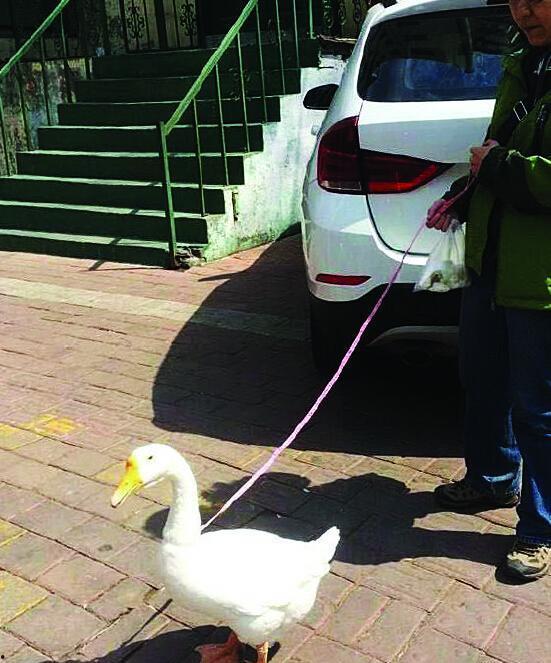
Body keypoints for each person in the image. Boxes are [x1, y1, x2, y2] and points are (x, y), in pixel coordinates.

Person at [426, 0, 551, 581]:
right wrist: (464, 195)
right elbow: (493, 147)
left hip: (539, 277)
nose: (523, 11)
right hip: (490, 261)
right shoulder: (520, 63)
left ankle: (540, 528)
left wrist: (499, 167)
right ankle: (492, 480)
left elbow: (509, 163)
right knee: (481, 378)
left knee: (538, 409)